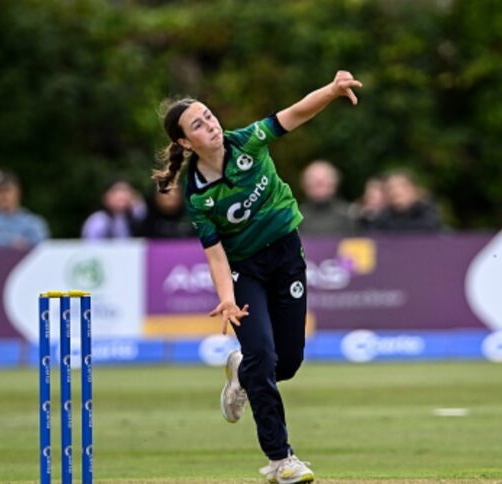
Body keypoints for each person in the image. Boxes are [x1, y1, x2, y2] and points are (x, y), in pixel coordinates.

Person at [151, 70, 362, 483]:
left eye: (209, 116)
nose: (210, 125)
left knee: (287, 362)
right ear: (183, 142)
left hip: (287, 257)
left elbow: (297, 113)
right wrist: (227, 299)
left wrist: (333, 91)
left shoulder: (248, 139)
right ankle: (281, 459)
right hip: (245, 269)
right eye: (198, 124)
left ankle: (240, 371)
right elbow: (215, 256)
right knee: (263, 359)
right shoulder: (198, 194)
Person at [368, 169, 443, 232]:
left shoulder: (427, 212)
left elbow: (428, 228)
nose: (395, 192)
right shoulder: (383, 217)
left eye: (401, 186)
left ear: (414, 189)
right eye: (390, 188)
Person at [297, 159, 354, 235]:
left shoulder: (349, 215)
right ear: (305, 185)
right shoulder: (296, 218)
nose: (319, 182)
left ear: (334, 184)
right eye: (314, 179)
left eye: (324, 179)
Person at [81, 178, 146, 240]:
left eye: (126, 190)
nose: (123, 195)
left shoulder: (134, 218)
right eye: (117, 190)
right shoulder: (98, 221)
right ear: (106, 196)